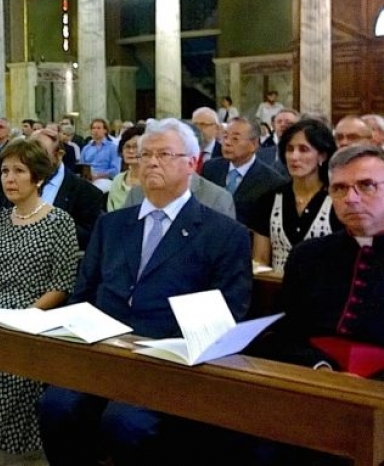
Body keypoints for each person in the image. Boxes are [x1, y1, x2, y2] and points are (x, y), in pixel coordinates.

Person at [38, 118, 252, 466]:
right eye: (145, 154)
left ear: (192, 164)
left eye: (165, 154)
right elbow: (83, 294)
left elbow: (229, 311)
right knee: (55, 407)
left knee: (124, 423)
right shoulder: (112, 226)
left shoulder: (223, 234)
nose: (151, 162)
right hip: (104, 352)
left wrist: (173, 349)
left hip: (167, 364)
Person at [0, 138, 79, 459]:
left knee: (7, 375)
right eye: (5, 171)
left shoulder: (59, 221)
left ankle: (13, 453)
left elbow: (61, 285)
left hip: (35, 318)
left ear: (37, 177)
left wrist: (25, 316)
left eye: (19, 171)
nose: (9, 178)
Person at [253, 144, 384, 375]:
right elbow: (282, 333)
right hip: (314, 380)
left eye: (366, 186)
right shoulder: (308, 256)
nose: (351, 199)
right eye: (339, 188)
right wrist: (318, 366)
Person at [253, 118, 341, 272]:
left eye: (303, 149)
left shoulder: (337, 201)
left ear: (322, 156)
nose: (294, 157)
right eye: (289, 149)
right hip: (275, 288)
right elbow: (260, 261)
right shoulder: (269, 200)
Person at [201, 117, 288, 230]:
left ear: (254, 144)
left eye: (235, 139)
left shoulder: (272, 181)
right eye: (225, 137)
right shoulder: (210, 168)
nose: (227, 143)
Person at [31, 128, 103, 250]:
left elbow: (89, 239)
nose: (33, 160)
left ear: (59, 155)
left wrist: (52, 222)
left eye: (41, 155)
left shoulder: (87, 193)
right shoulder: (17, 184)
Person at [107, 124, 146, 212]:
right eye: (127, 147)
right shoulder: (118, 180)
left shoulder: (152, 180)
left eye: (136, 147)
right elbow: (111, 212)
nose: (131, 151)